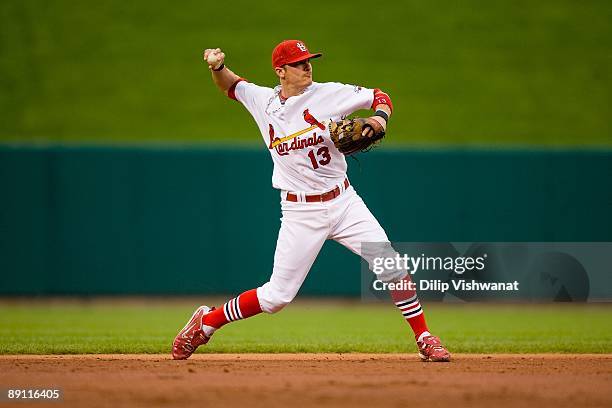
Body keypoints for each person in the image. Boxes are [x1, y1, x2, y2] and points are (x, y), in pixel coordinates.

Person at [172, 40, 451, 362]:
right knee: (277, 297)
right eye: (299, 63)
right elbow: (231, 86)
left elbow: (380, 96)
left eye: (309, 61)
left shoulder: (330, 93)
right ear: (280, 71)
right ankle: (206, 322)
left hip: (344, 202)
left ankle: (425, 337)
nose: (307, 66)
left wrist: (379, 119)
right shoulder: (262, 101)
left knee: (390, 265)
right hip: (300, 210)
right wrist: (217, 68)